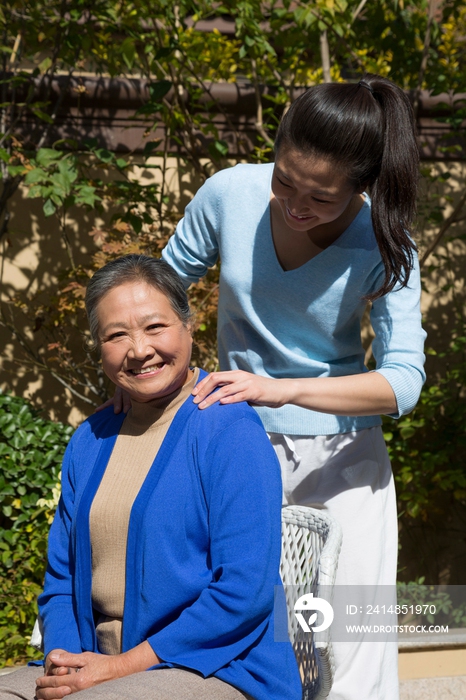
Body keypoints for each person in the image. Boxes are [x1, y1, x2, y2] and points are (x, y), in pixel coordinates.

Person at [158, 74, 427, 700]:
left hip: (345, 459)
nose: (294, 204)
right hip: (240, 445)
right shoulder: (229, 194)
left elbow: (402, 382)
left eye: (322, 198)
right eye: (285, 181)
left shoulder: (388, 243)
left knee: (355, 642)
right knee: (256, 636)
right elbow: (161, 289)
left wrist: (284, 389)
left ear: (362, 188)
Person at [0, 255, 301, 700]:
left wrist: (117, 668)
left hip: (216, 664)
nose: (139, 349)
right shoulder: (90, 439)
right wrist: (62, 663)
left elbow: (245, 592)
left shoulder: (228, 431)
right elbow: (60, 581)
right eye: (116, 335)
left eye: (155, 327)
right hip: (94, 659)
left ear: (189, 325)